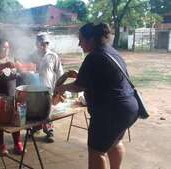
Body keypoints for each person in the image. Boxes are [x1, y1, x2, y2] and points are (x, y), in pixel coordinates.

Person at [54, 23, 139, 169]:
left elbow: (78, 86)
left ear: (91, 39)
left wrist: (61, 88)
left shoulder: (94, 56)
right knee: (115, 143)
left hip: (110, 112)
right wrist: (81, 77)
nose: (79, 43)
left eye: (81, 39)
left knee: (96, 152)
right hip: (128, 108)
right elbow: (106, 80)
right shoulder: (112, 52)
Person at [0, 39, 24, 156]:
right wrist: (5, 65)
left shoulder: (10, 59)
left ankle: (17, 143)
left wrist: (22, 67)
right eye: (3, 47)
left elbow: (20, 71)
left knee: (15, 120)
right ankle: (1, 145)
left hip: (12, 96)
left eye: (8, 47)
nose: (6, 50)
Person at [32, 32, 64, 143]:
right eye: (39, 44)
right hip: (34, 89)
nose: (41, 46)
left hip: (48, 88)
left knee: (47, 111)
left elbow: (60, 73)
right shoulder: (32, 56)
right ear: (36, 44)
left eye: (44, 44)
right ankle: (35, 128)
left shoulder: (53, 56)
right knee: (36, 110)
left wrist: (59, 89)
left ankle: (49, 131)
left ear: (47, 44)